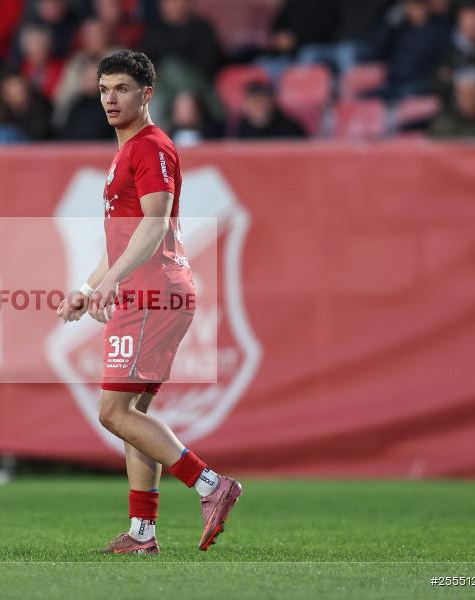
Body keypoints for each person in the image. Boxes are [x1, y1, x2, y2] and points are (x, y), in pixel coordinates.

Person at [55, 50, 242, 555]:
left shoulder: (150, 146)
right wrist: (92, 286)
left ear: (147, 95)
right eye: (103, 89)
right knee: (133, 413)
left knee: (114, 411)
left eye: (121, 89)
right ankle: (143, 533)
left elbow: (154, 224)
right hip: (146, 288)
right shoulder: (127, 152)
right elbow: (126, 237)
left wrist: (114, 280)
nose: (110, 99)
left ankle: (210, 485)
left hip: (152, 291)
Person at [371, 0, 452, 101]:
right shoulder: (399, 28)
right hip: (391, 81)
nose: (416, 10)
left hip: (418, 85)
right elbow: (377, 50)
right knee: (367, 98)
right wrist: (391, 22)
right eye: (412, 5)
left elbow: (442, 60)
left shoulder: (438, 30)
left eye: (419, 5)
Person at [434, 0, 475, 104]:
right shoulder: (450, 43)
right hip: (454, 107)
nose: (470, 26)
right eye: (466, 21)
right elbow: (438, 78)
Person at [430, 65, 475, 136]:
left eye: (473, 94)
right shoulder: (443, 124)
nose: (469, 99)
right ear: (456, 94)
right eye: (463, 94)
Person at [236, 81, 307, 139]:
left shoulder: (290, 128)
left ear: (271, 102)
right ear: (245, 105)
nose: (259, 105)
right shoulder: (240, 128)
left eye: (263, 101)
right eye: (254, 102)